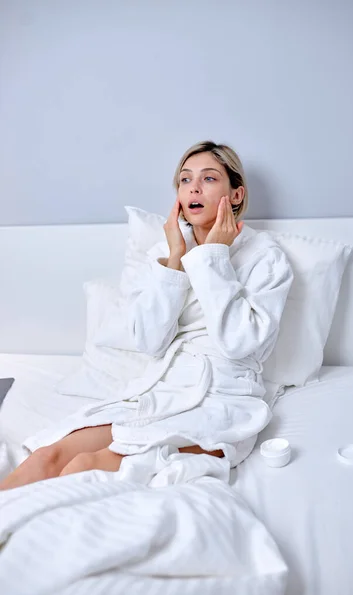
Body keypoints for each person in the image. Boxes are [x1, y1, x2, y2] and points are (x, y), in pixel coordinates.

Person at [0, 140, 293, 491]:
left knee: (85, 465)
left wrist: (214, 255)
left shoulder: (265, 257)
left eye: (209, 178)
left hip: (222, 398)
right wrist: (174, 261)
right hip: (161, 389)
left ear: (235, 194)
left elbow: (239, 343)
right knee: (46, 458)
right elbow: (149, 342)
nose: (194, 188)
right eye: (185, 180)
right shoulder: (165, 252)